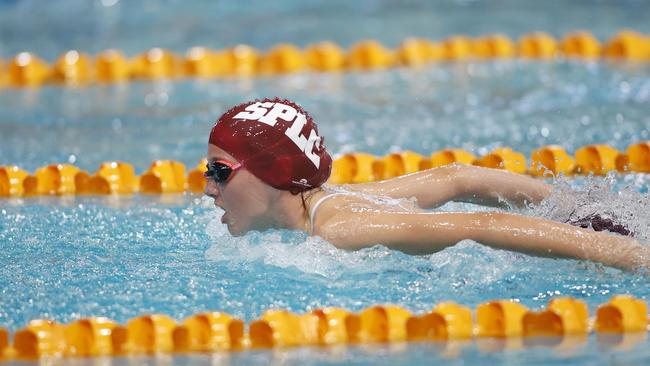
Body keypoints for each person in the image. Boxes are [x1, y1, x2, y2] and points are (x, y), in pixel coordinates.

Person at [204, 98, 650, 272]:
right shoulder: (327, 201)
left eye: (220, 171)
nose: (208, 188)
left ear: (275, 173)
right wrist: (576, 203)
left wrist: (625, 253)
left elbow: (483, 225)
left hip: (570, 252)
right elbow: (456, 176)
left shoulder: (341, 230)